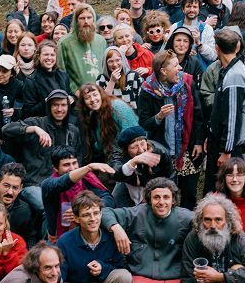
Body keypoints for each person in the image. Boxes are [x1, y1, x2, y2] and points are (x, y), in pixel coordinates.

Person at [137, 49, 204, 209]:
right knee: (163, 196)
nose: (180, 68)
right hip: (162, 151)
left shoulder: (186, 82)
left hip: (187, 149)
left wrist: (198, 141)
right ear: (163, 71)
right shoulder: (147, 90)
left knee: (189, 195)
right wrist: (159, 117)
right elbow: (144, 123)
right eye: (175, 65)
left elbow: (198, 114)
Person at [1, 89, 81, 213]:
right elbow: (6, 129)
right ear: (49, 107)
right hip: (34, 184)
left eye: (63, 105)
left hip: (62, 184)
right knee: (49, 208)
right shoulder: (36, 123)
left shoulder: (73, 131)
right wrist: (34, 129)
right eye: (55, 105)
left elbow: (78, 160)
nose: (59, 109)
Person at [101, 178, 194, 282]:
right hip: (139, 275)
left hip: (174, 277)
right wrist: (116, 227)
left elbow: (203, 221)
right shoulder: (136, 213)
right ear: (149, 199)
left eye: (166, 197)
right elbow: (104, 212)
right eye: (156, 197)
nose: (161, 202)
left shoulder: (185, 217)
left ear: (173, 200)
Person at [207, 30, 245, 192]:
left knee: (223, 191)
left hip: (229, 147)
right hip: (220, 141)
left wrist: (226, 151)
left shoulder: (234, 76)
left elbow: (232, 118)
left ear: (217, 48)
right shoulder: (231, 69)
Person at [181, 193, 245, 281]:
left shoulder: (239, 238)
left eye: (218, 219)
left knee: (237, 267)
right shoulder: (193, 238)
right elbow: (187, 276)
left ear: (228, 220)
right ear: (201, 220)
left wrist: (221, 277)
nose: (213, 226)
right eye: (207, 220)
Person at [41, 145, 114, 241]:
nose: (72, 168)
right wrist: (89, 168)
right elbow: (63, 182)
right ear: (55, 168)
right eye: (66, 165)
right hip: (57, 237)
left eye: (74, 163)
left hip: (89, 231)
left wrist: (82, 209)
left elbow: (108, 199)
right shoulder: (48, 185)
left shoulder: (87, 178)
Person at [55, 190, 130, 283]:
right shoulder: (64, 242)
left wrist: (102, 267)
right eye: (86, 215)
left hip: (105, 281)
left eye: (96, 213)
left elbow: (118, 266)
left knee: (124, 275)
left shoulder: (111, 237)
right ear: (77, 218)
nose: (93, 219)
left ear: (101, 214)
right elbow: (59, 276)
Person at [110, 126, 174, 208]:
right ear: (126, 149)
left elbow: (170, 175)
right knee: (117, 205)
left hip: (155, 185)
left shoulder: (160, 152)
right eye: (134, 147)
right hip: (128, 183)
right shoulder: (118, 155)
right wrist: (133, 162)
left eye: (142, 144)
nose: (140, 150)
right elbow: (116, 174)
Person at [78, 83, 138, 164]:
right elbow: (99, 145)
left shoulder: (117, 106)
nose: (92, 99)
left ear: (101, 94)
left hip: (130, 156)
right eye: (87, 98)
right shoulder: (93, 115)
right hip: (112, 159)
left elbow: (134, 134)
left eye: (95, 95)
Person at [57, 4, 108, 93]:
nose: (86, 21)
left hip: (100, 94)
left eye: (89, 17)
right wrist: (74, 90)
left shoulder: (101, 41)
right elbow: (61, 72)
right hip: (77, 96)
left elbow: (105, 68)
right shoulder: (64, 42)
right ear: (76, 20)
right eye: (82, 18)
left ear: (94, 19)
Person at [21, 41, 70, 119]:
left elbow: (69, 95)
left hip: (63, 120)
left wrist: (72, 99)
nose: (49, 58)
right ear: (39, 56)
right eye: (46, 54)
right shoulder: (31, 81)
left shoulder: (63, 76)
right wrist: (46, 102)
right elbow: (28, 112)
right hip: (43, 122)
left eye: (52, 55)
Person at [174, 0, 217, 66]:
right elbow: (167, 52)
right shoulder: (175, 27)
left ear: (199, 9)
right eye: (188, 6)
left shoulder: (207, 29)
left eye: (195, 7)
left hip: (200, 70)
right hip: (179, 69)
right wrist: (182, 52)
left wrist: (199, 44)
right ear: (183, 9)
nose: (191, 10)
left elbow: (213, 56)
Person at [95, 46, 143, 111]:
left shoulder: (134, 76)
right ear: (106, 63)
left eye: (118, 60)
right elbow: (102, 103)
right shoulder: (101, 79)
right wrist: (112, 81)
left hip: (133, 114)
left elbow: (142, 100)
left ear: (123, 60)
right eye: (110, 61)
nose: (115, 64)